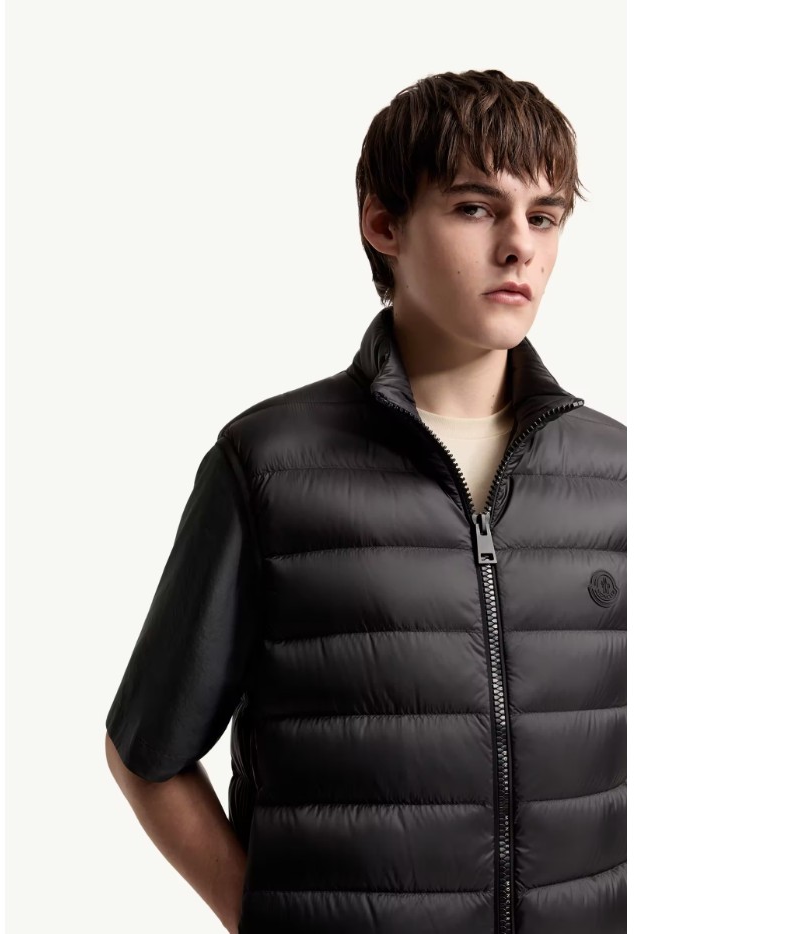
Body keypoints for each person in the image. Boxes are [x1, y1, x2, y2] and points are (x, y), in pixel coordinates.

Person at [105, 67, 626, 934]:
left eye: (544, 216)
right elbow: (146, 752)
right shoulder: (270, 467)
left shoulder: (618, 475)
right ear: (383, 224)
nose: (519, 247)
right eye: (476, 208)